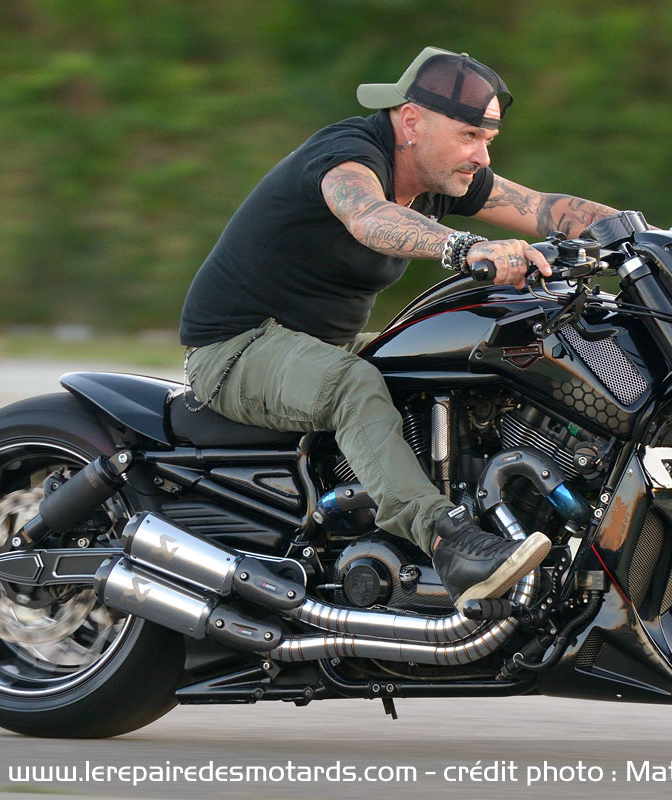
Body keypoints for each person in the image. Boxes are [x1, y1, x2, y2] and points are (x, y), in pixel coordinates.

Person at [180, 47, 621, 611]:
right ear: (412, 121)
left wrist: (666, 244)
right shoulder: (349, 156)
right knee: (353, 385)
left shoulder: (442, 176)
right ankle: (447, 542)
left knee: (473, 361)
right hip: (236, 349)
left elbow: (540, 207)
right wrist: (465, 247)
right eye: (469, 136)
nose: (482, 155)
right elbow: (368, 217)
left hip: (320, 347)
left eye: (488, 139)